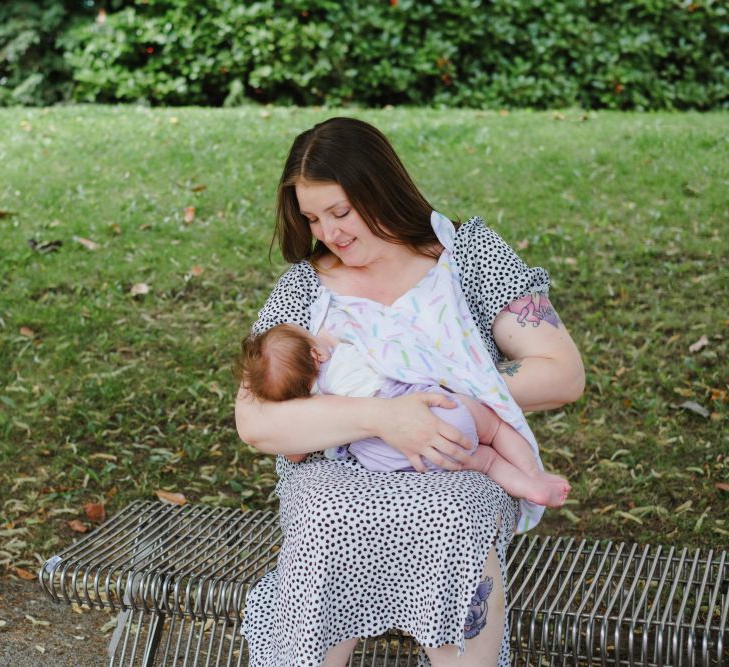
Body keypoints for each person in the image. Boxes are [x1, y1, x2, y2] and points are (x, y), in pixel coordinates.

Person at [235, 117, 584, 667]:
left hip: (457, 464)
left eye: (341, 212)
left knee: (454, 519)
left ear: (380, 189)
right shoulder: (303, 288)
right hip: (339, 476)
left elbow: (562, 372)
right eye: (312, 218)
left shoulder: (469, 256)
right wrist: (384, 417)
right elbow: (255, 420)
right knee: (323, 518)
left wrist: (466, 402)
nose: (328, 233)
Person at [237, 322, 571, 507]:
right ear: (315, 352)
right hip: (432, 411)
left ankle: (523, 483)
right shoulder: (344, 356)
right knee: (496, 429)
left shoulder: (312, 405)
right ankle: (533, 480)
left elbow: (294, 453)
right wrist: (328, 341)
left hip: (391, 459)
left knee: (486, 462)